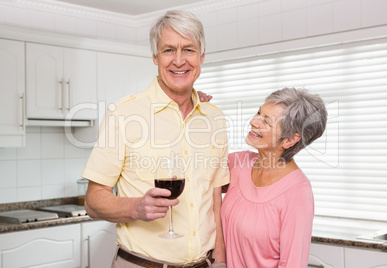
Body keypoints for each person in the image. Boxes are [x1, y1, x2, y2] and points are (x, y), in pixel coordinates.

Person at [82, 10, 229, 268]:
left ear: (202, 56)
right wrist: (136, 208)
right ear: (155, 57)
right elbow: (93, 201)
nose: (179, 61)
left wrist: (221, 258)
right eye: (169, 50)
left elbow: (215, 197)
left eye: (189, 50)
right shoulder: (124, 114)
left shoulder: (214, 118)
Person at [199, 88, 327, 267]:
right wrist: (192, 109)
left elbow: (292, 263)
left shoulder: (297, 192)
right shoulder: (240, 163)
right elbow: (194, 174)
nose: (253, 121)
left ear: (290, 140)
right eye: (259, 112)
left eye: (266, 121)